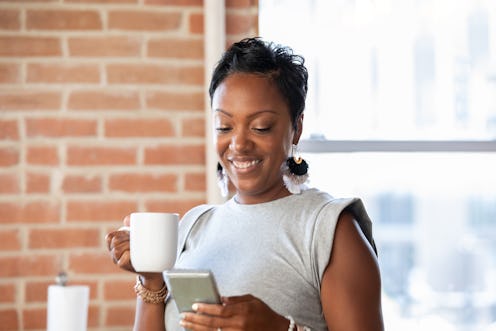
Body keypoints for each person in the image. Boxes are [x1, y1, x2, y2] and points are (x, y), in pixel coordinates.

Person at [106, 37, 384, 331]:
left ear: (296, 128)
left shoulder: (331, 230)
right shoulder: (194, 226)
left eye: (260, 127)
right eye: (224, 127)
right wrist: (150, 279)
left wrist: (280, 328)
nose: (238, 145)